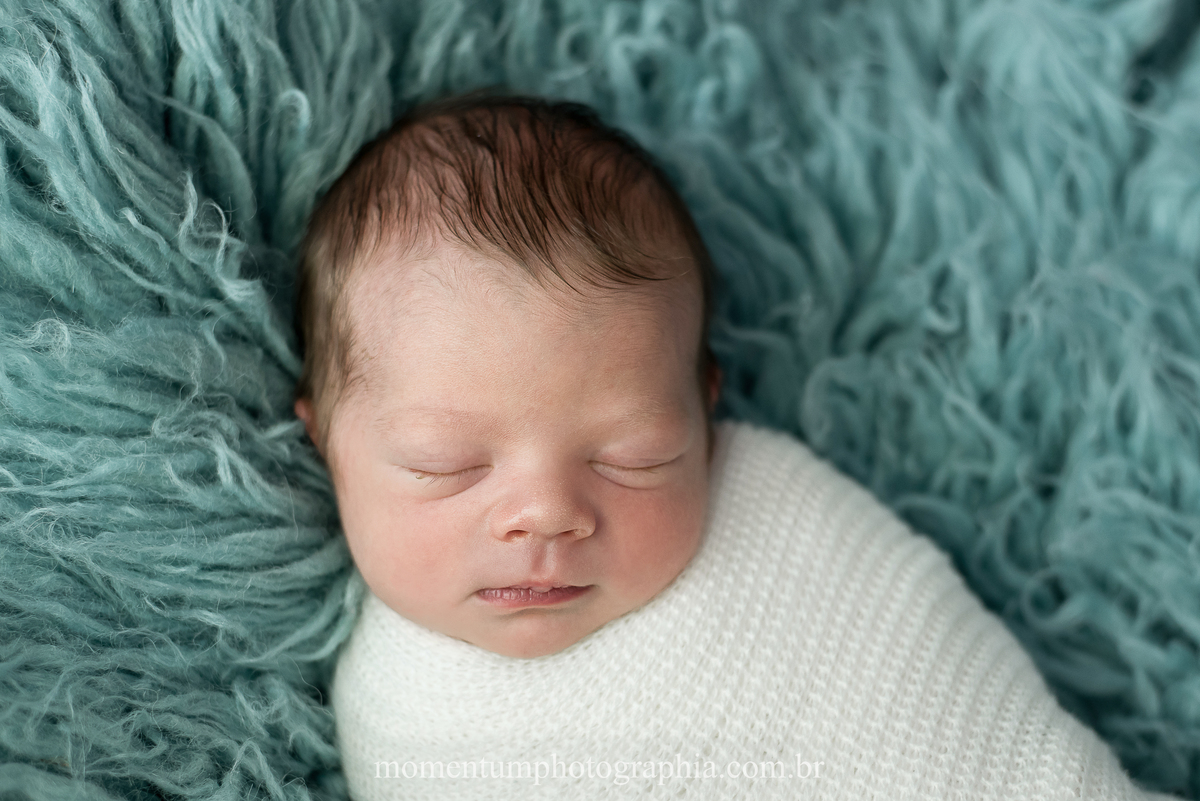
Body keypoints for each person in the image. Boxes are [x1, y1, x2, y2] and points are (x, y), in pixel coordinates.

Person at [292, 93, 1174, 799]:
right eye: (447, 465)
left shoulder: (774, 506)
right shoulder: (396, 715)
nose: (547, 513)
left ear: (706, 418)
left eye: (632, 456)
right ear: (324, 438)